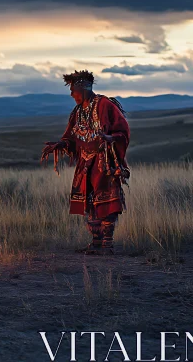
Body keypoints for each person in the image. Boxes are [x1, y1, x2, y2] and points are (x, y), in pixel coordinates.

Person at [41, 70, 130, 255]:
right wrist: (61, 144)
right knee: (89, 203)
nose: (71, 94)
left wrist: (109, 138)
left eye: (73, 90)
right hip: (85, 163)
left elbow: (123, 131)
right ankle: (96, 243)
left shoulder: (104, 105)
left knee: (106, 201)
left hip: (103, 162)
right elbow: (72, 137)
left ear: (83, 88)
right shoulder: (78, 111)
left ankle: (107, 244)